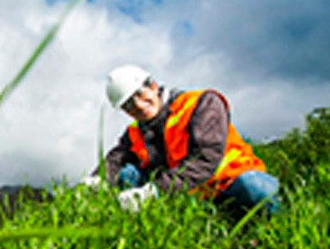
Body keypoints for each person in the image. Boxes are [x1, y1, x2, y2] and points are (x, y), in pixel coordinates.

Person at [91, 65, 280, 216]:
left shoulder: (202, 103)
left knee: (254, 188)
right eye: (128, 105)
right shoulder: (135, 130)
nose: (138, 106)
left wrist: (154, 191)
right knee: (127, 174)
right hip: (188, 196)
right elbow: (115, 159)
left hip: (229, 185)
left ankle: (274, 227)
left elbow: (207, 158)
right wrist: (93, 182)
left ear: (153, 86)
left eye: (139, 95)